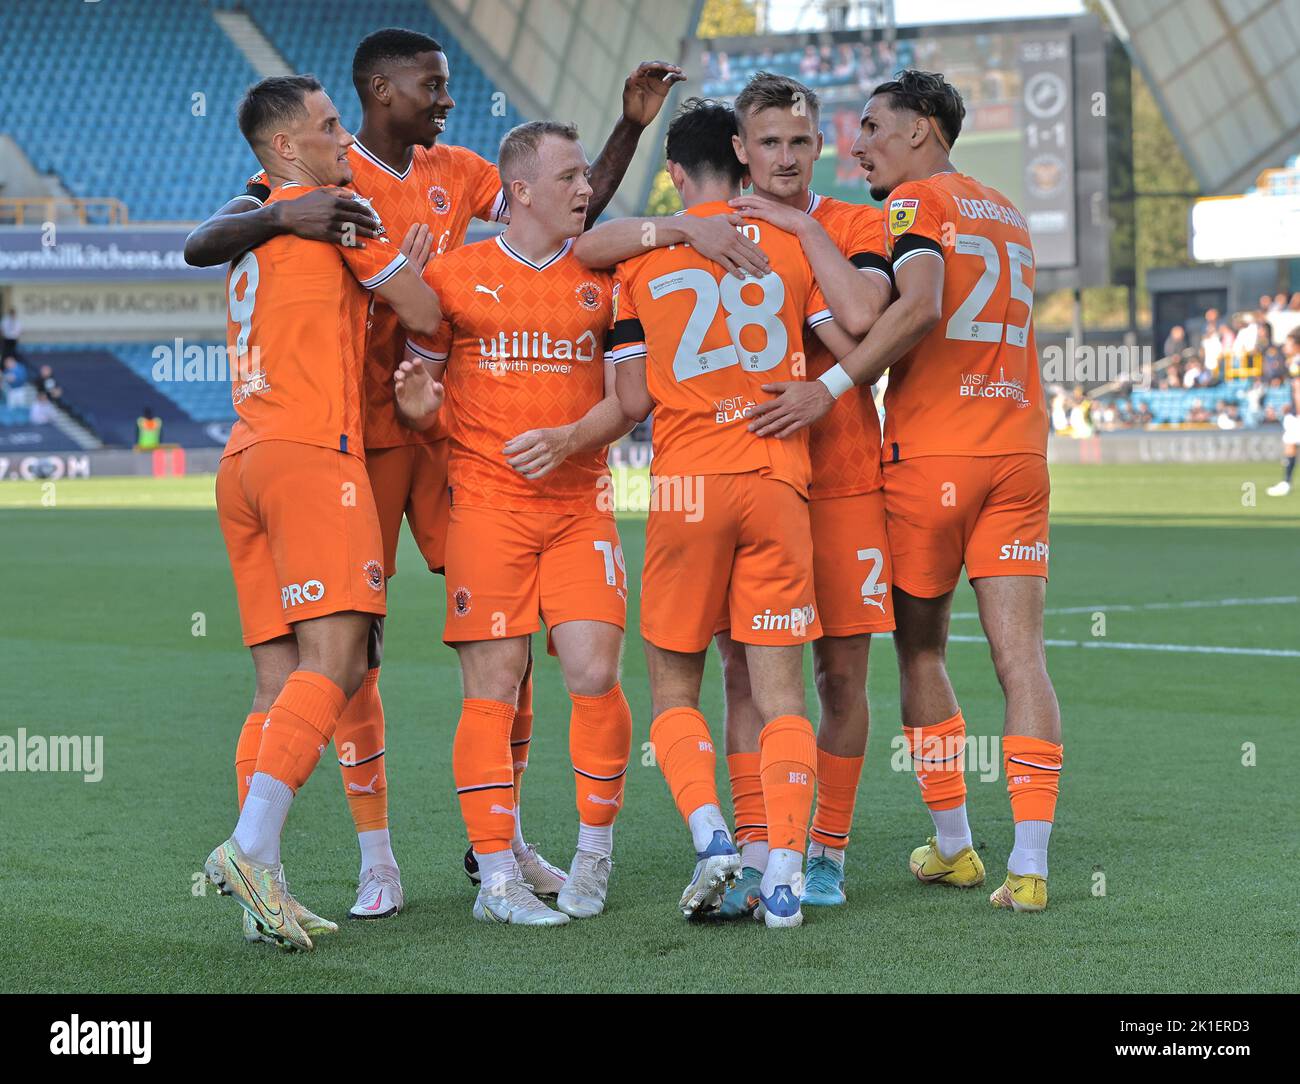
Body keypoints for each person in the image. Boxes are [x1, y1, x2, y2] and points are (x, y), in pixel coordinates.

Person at [187, 27, 684, 917]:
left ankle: (504, 841)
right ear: (381, 90)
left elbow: (558, 212)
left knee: (508, 633)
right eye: (431, 85)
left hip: (450, 437)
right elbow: (213, 236)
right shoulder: (332, 192)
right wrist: (301, 223)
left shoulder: (451, 169)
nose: (446, 98)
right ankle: (376, 859)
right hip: (360, 437)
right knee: (351, 655)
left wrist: (624, 129)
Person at [747, 70, 1063, 913]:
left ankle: (957, 847)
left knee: (921, 652)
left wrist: (836, 383)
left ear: (923, 129)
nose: (859, 145)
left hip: (932, 456)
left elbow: (918, 306)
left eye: (875, 128)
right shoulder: (1008, 211)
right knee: (1021, 659)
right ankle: (1028, 866)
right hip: (1021, 453)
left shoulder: (915, 203)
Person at [596, 99, 862, 928]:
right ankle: (783, 875)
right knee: (784, 694)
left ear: (675, 174)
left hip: (683, 484)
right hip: (779, 479)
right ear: (743, 161)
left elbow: (630, 390)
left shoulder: (640, 260)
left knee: (676, 683)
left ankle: (715, 838)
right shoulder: (784, 240)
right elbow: (857, 343)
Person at [202, 74, 442, 951]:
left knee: (276, 685)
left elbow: (202, 242)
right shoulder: (338, 208)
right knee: (338, 660)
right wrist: (406, 266)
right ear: (285, 148)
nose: (346, 138)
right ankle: (249, 845)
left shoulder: (251, 213)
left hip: (245, 459)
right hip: (313, 453)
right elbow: (423, 311)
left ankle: (264, 882)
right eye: (329, 125)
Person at [394, 121, 636, 926]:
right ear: (520, 190)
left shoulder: (607, 276)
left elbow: (631, 400)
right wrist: (419, 411)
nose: (584, 189)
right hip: (488, 508)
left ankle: (593, 860)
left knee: (594, 674)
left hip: (581, 506)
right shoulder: (454, 277)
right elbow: (421, 395)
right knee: (492, 688)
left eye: (585, 177)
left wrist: (569, 439)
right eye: (568, 176)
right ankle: (496, 880)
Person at [1266, 327, 1300, 496]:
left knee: (1290, 444)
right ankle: (1286, 482)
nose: (1285, 347)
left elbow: (1298, 387)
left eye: (1289, 343)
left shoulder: (1296, 363)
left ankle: (1286, 483)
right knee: (1290, 443)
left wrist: (1298, 410)